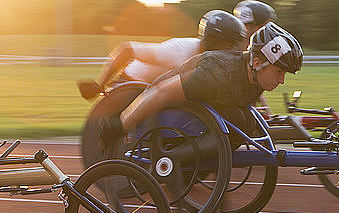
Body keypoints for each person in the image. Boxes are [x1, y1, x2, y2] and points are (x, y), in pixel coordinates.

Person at [99, 22, 303, 150]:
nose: (282, 80)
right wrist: (119, 126)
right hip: (166, 105)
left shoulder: (253, 78)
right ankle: (180, 158)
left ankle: (200, 162)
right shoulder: (218, 73)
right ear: (257, 63)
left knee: (245, 122)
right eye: (279, 72)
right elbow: (161, 91)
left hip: (204, 105)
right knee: (239, 123)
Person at [76, 10, 247, 100]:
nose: (234, 50)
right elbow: (126, 49)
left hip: (155, 90)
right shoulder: (179, 50)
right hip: (129, 85)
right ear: (214, 40)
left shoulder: (211, 59)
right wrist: (101, 84)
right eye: (230, 44)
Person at [233, 0, 278, 116]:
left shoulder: (253, 47)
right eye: (264, 26)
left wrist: (267, 110)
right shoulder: (231, 51)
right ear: (248, 26)